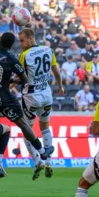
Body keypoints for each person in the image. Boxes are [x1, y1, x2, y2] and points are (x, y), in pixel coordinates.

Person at [0, 32, 54, 179]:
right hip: (4, 97)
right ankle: (42, 151)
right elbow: (24, 80)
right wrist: (11, 79)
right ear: (12, 45)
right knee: (23, 124)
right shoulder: (11, 59)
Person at [18, 28, 64, 180]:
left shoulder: (24, 55)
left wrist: (9, 85)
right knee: (45, 127)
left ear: (30, 39)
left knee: (27, 130)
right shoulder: (48, 50)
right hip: (46, 94)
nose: (20, 44)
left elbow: (20, 77)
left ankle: (38, 161)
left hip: (31, 96)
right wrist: (60, 86)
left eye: (22, 40)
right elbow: (56, 72)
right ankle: (49, 161)